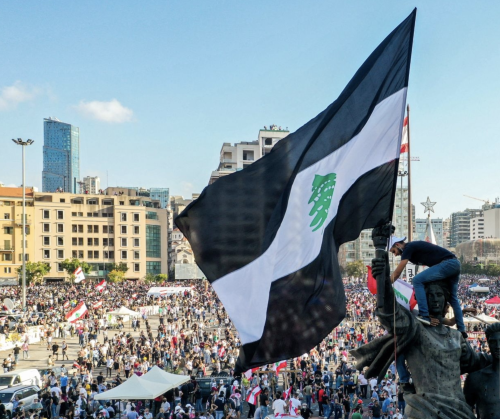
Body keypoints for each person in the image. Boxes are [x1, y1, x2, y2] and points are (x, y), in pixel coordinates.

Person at [388, 236, 466, 336]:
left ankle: (424, 315)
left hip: (448, 263)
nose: (395, 255)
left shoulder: (408, 248)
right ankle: (462, 329)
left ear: (398, 245)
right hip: (455, 264)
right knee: (452, 298)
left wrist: (385, 284)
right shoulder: (410, 249)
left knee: (417, 280)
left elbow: (397, 273)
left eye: (394, 251)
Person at [464, 322, 500, 418]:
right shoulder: (475, 379)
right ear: (488, 343)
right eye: (493, 342)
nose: (498, 346)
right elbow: (464, 410)